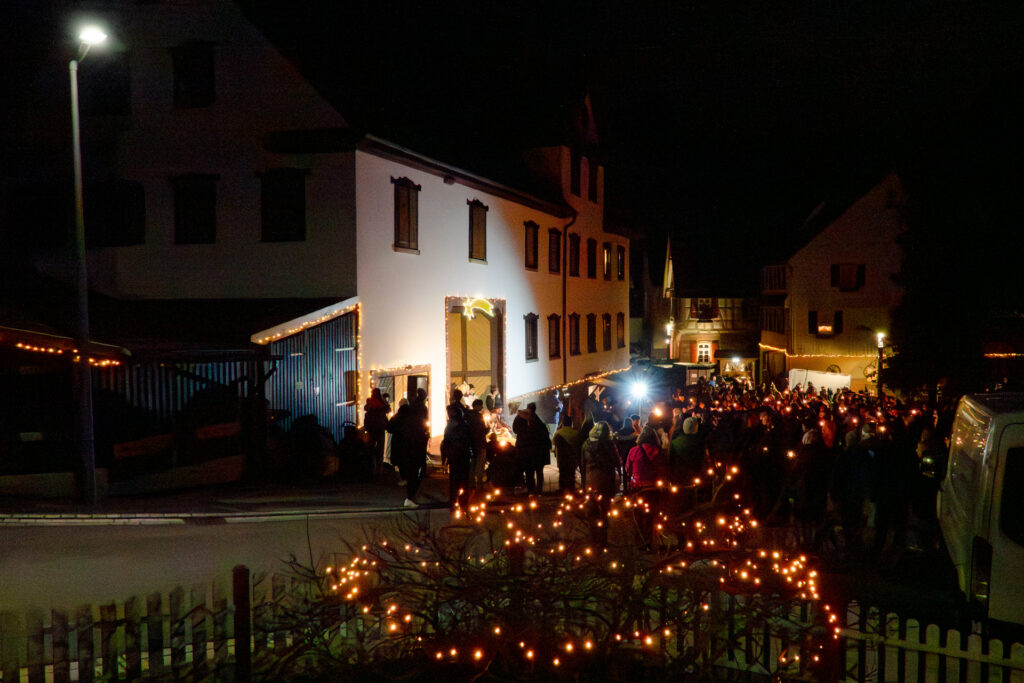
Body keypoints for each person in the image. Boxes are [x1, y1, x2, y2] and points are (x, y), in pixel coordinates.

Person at [581, 421, 619, 547]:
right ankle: (603, 540)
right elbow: (616, 462)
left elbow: (582, 465)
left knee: (592, 512)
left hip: (590, 482)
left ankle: (593, 538)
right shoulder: (608, 445)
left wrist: (584, 484)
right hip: (605, 482)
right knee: (604, 511)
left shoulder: (586, 444)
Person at [390, 388, 429, 507]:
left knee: (412, 469)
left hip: (408, 445)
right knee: (416, 471)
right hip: (415, 445)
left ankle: (410, 495)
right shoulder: (420, 409)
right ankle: (410, 497)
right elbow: (422, 425)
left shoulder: (409, 410)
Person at [513, 402, 551, 495]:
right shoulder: (536, 420)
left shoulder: (528, 419)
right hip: (537, 450)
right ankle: (537, 490)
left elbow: (516, 430)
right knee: (537, 471)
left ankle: (531, 489)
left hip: (530, 450)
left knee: (529, 470)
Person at [441, 403, 474, 510]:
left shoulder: (451, 426)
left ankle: (454, 501)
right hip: (463, 455)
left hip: (455, 456)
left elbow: (446, 442)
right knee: (464, 480)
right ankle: (463, 502)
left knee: (455, 480)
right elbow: (470, 441)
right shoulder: (465, 425)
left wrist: (445, 457)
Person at [552, 413, 582, 495]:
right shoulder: (575, 433)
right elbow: (579, 444)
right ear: (571, 423)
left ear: (563, 423)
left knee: (562, 474)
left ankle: (562, 489)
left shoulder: (558, 433)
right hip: (572, 458)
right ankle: (571, 489)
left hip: (562, 458)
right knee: (571, 474)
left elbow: (553, 443)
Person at [362, 387, 390, 478]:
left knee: (371, 451)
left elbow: (366, 416)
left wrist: (366, 428)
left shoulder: (369, 403)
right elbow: (388, 409)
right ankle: (379, 469)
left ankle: (372, 469)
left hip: (371, 430)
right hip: (380, 430)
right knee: (380, 450)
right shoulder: (382, 403)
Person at [466, 398, 489, 493]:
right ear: (477, 406)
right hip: (479, 443)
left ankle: (471, 483)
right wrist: (488, 428)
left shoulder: (467, 415)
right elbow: (482, 431)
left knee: (472, 463)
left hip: (470, 443)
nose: (482, 407)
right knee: (480, 464)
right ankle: (479, 482)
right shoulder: (479, 417)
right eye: (481, 406)